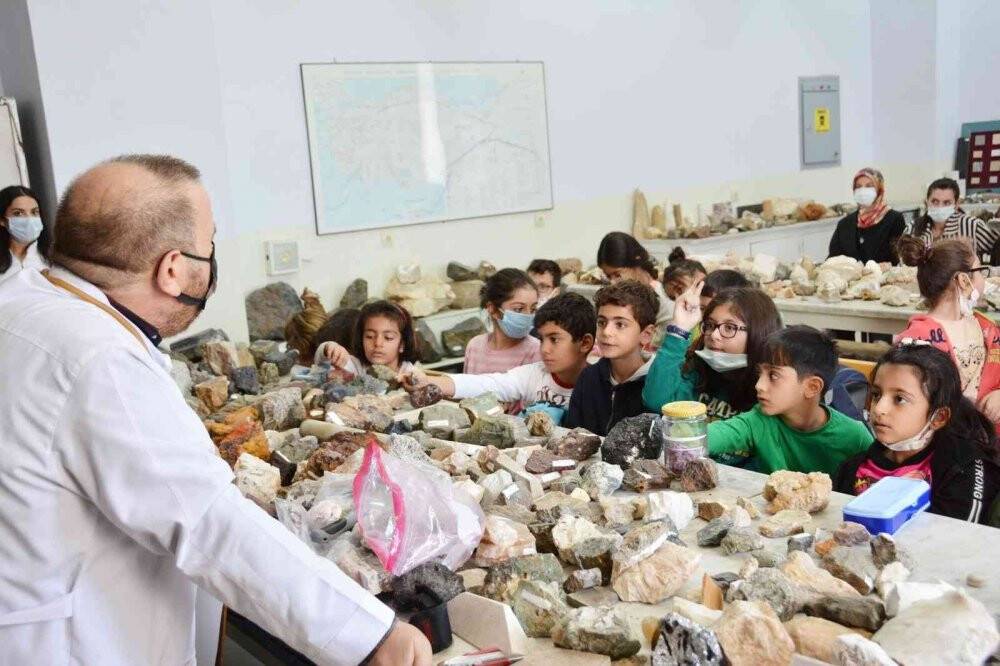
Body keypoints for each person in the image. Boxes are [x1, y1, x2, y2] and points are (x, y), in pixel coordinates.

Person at [0, 155, 429, 665]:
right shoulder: (98, 357)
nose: (212, 259)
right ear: (174, 269)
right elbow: (208, 523)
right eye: (210, 245)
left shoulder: (24, 302)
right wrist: (372, 635)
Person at [835, 342, 1000, 524]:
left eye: (899, 399)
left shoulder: (964, 468)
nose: (879, 408)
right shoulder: (853, 469)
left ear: (938, 417)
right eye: (876, 394)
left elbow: (955, 540)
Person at [402, 292, 595, 425]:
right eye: (542, 339)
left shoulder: (600, 384)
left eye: (554, 339)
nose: (544, 349)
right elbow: (487, 384)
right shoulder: (535, 374)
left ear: (585, 343)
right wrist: (428, 381)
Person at [707, 326, 873, 475]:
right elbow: (708, 437)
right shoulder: (760, 420)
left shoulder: (855, 437)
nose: (759, 385)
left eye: (773, 375)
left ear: (812, 387)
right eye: (760, 374)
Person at [895, 237, 1000, 423]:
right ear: (963, 280)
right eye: (980, 271)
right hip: (946, 442)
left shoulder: (985, 327)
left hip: (987, 440)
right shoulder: (916, 340)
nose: (984, 279)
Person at [643, 283, 782, 421]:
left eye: (729, 327)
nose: (714, 335)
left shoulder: (771, 387)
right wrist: (679, 330)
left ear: (757, 333)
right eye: (710, 325)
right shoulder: (696, 370)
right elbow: (656, 402)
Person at [564, 280, 657, 435]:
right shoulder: (589, 377)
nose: (606, 332)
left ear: (646, 334)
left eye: (620, 324)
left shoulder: (657, 385)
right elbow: (572, 434)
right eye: (601, 322)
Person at [463, 267, 541, 373]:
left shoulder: (536, 351)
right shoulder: (475, 346)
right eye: (518, 309)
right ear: (493, 309)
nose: (528, 316)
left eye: (533, 309)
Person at [597, 231, 672, 337]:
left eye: (617, 275)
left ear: (636, 264)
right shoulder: (625, 297)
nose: (612, 283)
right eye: (608, 277)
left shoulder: (661, 300)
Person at [315, 300, 418, 375]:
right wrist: (328, 347)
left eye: (388, 338)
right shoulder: (356, 367)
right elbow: (321, 363)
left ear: (402, 345)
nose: (377, 343)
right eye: (370, 336)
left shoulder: (408, 372)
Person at [827, 168, 906, 264]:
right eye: (858, 186)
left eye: (869, 186)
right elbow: (833, 258)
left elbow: (899, 258)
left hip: (883, 277)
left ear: (879, 189)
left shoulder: (894, 219)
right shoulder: (845, 223)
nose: (863, 190)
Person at [911, 177, 1000, 260]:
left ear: (956, 204)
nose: (940, 206)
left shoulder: (972, 226)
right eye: (935, 201)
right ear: (926, 202)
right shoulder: (913, 228)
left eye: (946, 203)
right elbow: (903, 265)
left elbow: (996, 248)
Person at [0, 184, 49, 281]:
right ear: (2, 220)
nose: (29, 219)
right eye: (18, 213)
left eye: (34, 212)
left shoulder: (54, 256)